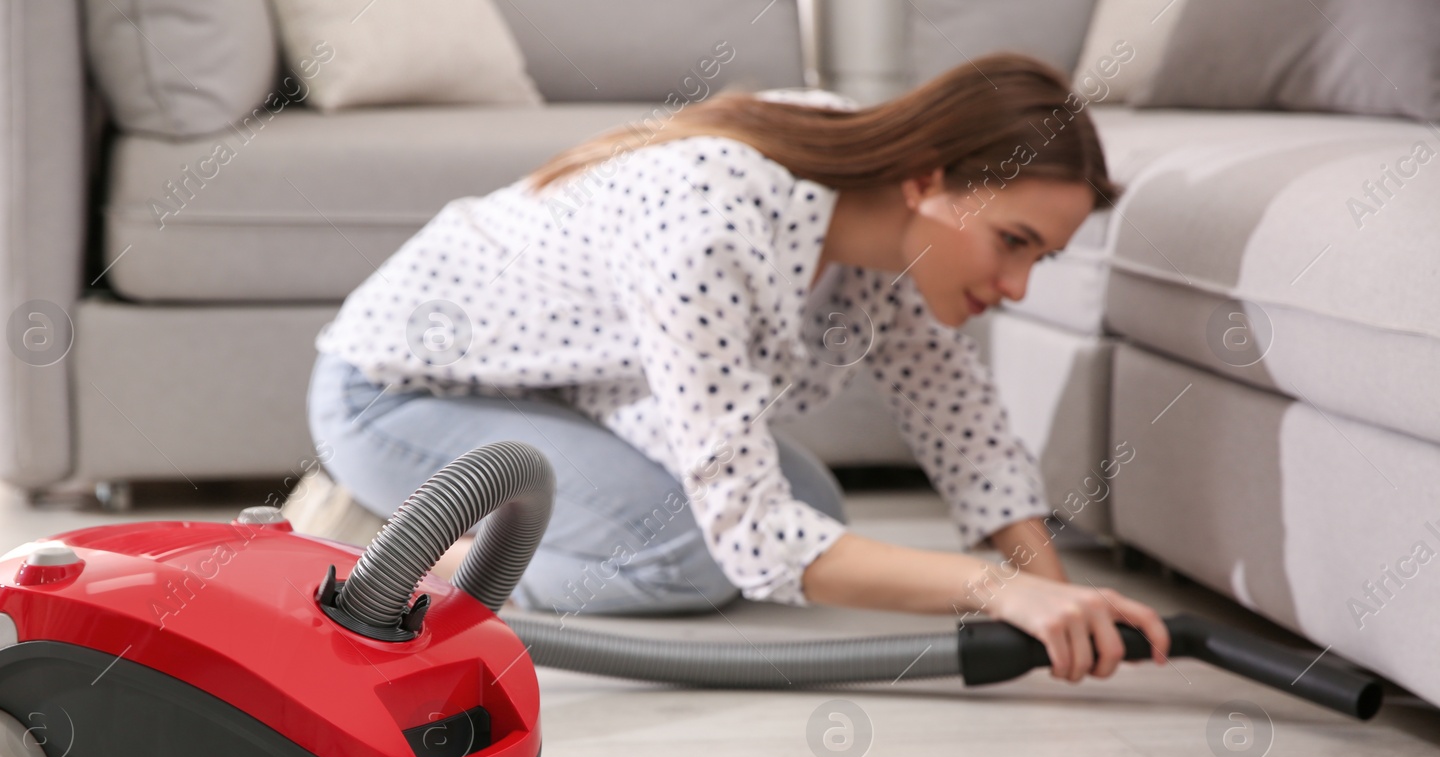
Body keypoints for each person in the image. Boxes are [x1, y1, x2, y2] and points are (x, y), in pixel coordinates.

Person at [305, 53, 1170, 683]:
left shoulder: (874, 204)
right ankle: (404, 549)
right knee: (690, 557)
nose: (1016, 286)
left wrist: (1055, 598)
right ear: (928, 180)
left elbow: (958, 417)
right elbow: (752, 540)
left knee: (815, 507)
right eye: (1011, 243)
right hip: (397, 392)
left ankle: (485, 525)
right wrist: (996, 592)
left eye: (1039, 260)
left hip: (566, 395)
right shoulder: (711, 229)